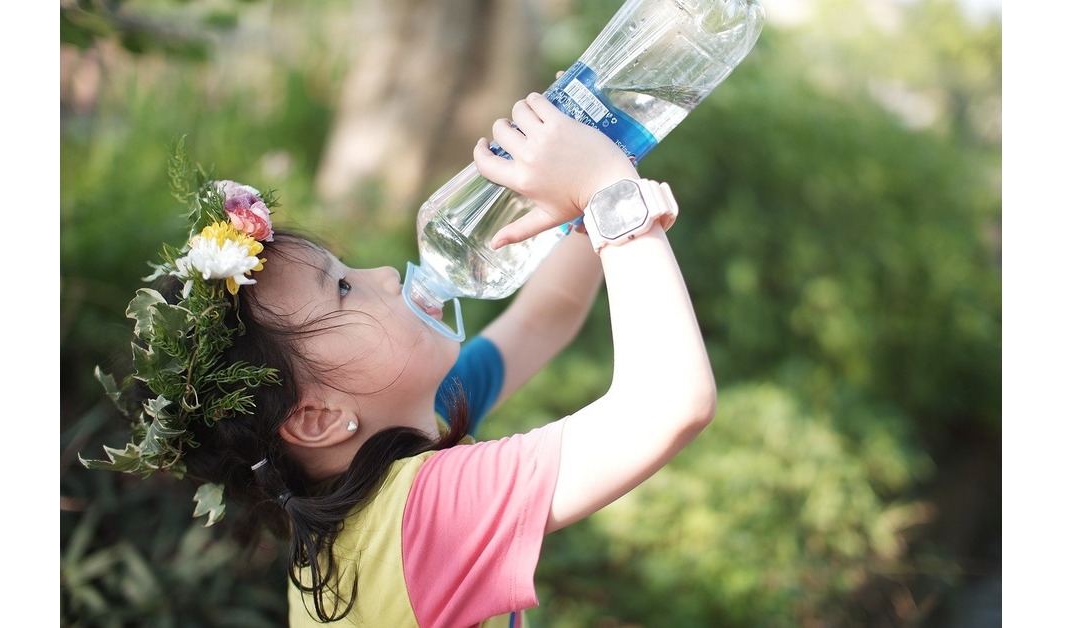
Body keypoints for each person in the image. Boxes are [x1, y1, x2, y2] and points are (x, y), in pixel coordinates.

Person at [84, 91, 715, 627]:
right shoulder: (427, 519)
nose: (385, 272)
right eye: (343, 288)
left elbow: (544, 319)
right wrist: (609, 192)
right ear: (315, 418)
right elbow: (668, 404)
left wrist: (593, 178)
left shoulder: (378, 480)